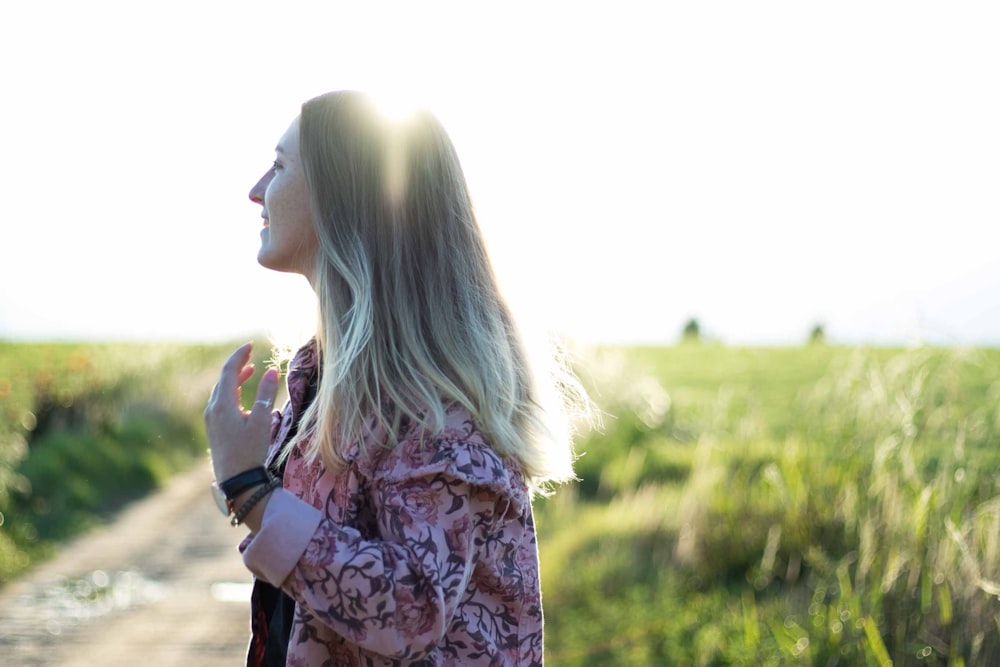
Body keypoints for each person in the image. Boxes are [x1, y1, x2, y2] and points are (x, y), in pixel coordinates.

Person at [204, 91, 585, 666]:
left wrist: (250, 490)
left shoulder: (432, 399)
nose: (257, 190)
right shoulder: (327, 375)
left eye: (280, 167)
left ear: (344, 199)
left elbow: (411, 609)